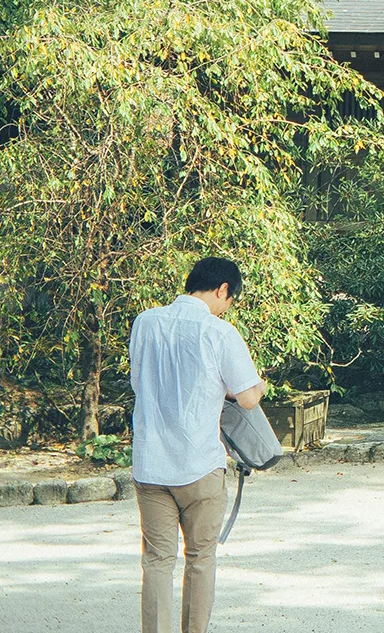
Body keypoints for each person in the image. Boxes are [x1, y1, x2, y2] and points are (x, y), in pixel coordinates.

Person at [129, 256, 265, 633]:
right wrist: (261, 385)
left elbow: (138, 383)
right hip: (199, 464)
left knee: (157, 559)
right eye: (230, 298)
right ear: (223, 289)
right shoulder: (219, 332)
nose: (228, 306)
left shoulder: (146, 322)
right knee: (200, 558)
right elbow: (248, 398)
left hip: (151, 463)